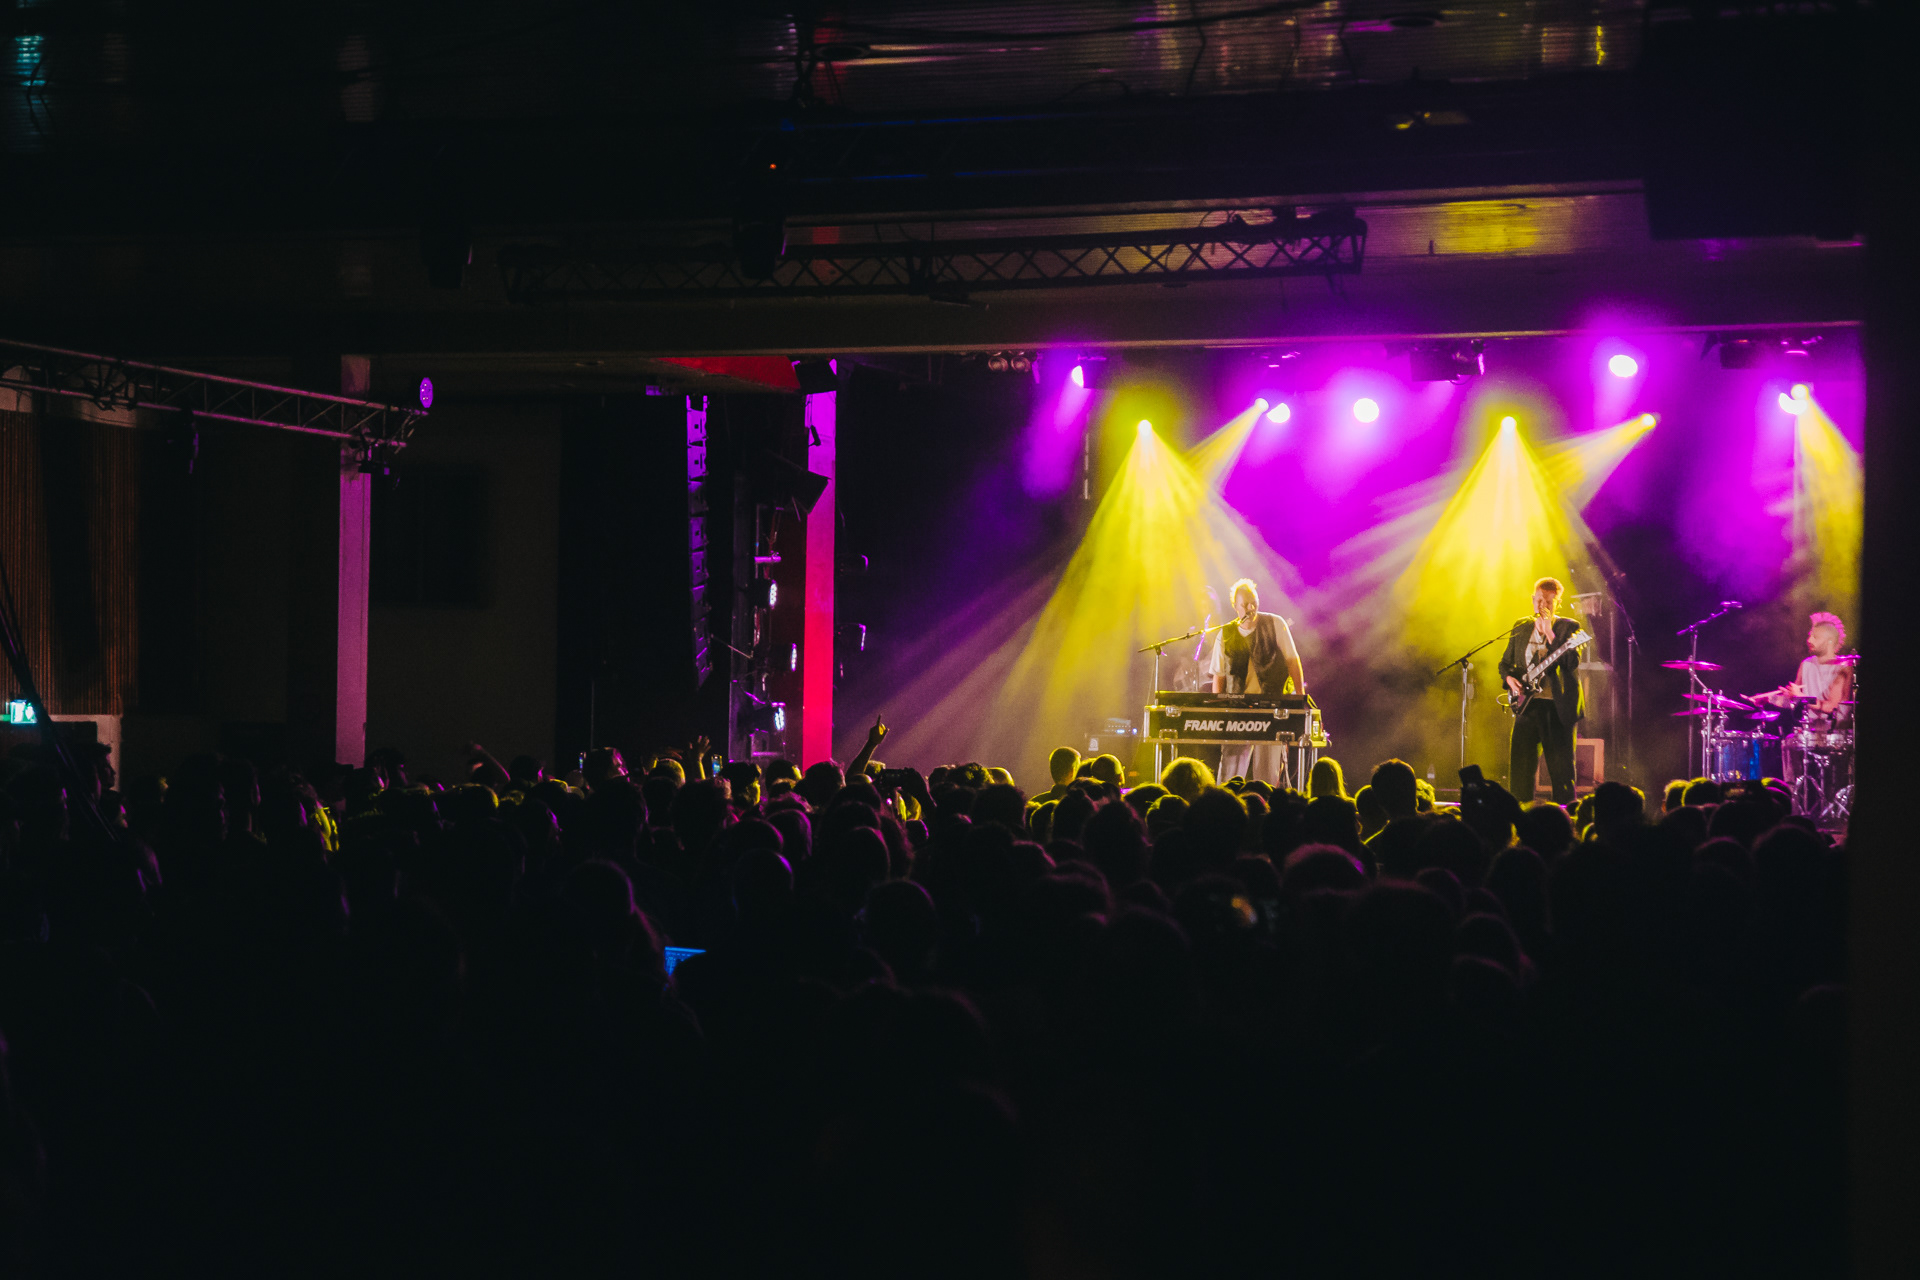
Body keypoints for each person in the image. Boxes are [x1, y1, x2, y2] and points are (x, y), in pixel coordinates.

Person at [1207, 578, 1305, 785]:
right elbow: (1219, 675)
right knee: (1230, 773)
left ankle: (1266, 803)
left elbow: (1292, 660)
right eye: (1245, 604)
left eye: (1254, 603)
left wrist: (1299, 697)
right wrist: (1218, 710)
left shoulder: (1275, 623)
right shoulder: (1225, 634)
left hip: (1271, 708)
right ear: (1235, 606)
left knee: (1268, 774)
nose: (1251, 608)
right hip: (1237, 710)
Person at [1498, 576, 1586, 805]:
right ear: (1532, 599)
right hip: (1527, 706)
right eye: (1539, 600)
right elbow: (1504, 663)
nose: (1542, 605)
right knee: (1520, 770)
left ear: (1558, 602)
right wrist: (1509, 679)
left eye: (1548, 601)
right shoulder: (1521, 626)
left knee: (1562, 772)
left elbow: (1571, 662)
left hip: (1557, 707)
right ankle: (1520, 814)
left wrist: (1549, 633)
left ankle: (1566, 817)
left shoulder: (1570, 627)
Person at [1750, 610, 1854, 799]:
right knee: (1788, 743)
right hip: (1810, 731)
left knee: (1794, 746)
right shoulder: (1806, 664)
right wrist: (1767, 698)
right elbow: (1794, 700)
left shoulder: (1844, 667)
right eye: (1810, 635)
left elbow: (1832, 707)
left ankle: (1830, 798)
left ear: (1829, 641)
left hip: (1833, 734)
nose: (1809, 640)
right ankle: (1794, 799)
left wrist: (1802, 697)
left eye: (1815, 637)